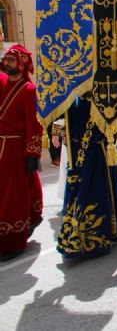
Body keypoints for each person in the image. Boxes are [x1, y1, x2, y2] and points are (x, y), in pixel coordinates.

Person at [57, 94, 117, 259]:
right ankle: (85, 238)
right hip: (87, 155)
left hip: (93, 155)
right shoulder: (75, 100)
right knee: (86, 191)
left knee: (89, 191)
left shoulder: (86, 98)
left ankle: (98, 235)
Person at [0, 45, 43, 262]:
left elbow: (33, 124)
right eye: (5, 59)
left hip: (16, 149)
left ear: (21, 63)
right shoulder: (3, 84)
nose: (6, 63)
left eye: (11, 60)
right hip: (2, 147)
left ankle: (14, 240)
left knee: (13, 195)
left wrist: (32, 153)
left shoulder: (28, 89)